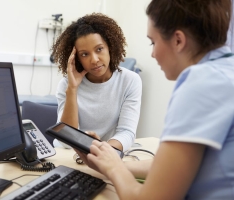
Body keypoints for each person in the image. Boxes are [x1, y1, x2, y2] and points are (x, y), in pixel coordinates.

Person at [76, 0, 234, 199]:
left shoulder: (201, 84)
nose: (153, 53)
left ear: (178, 40)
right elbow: (171, 167)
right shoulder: (225, 70)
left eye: (153, 41)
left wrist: (113, 168)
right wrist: (115, 163)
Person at [51, 13, 142, 151]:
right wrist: (72, 89)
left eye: (99, 49)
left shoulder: (130, 81)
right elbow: (66, 141)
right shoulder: (67, 84)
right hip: (68, 155)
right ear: (76, 58)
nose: (94, 60)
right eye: (84, 54)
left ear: (110, 47)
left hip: (107, 154)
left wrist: (100, 152)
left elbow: (126, 133)